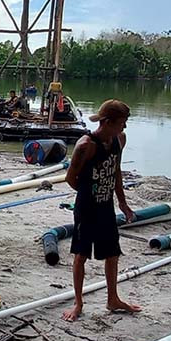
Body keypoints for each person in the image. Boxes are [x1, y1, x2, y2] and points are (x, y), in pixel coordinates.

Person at [62, 99, 140, 322]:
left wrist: (122, 203)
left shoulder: (119, 140)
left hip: (106, 205)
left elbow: (116, 171)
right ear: (107, 122)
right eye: (121, 123)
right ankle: (78, 302)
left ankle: (113, 298)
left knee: (112, 253)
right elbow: (70, 178)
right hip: (87, 207)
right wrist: (89, 193)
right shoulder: (86, 146)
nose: (124, 127)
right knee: (81, 254)